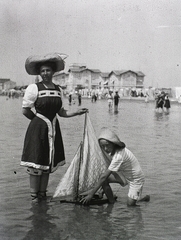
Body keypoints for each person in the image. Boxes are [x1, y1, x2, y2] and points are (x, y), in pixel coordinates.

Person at [21, 53, 88, 203]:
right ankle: (34, 197)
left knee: (47, 163)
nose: (45, 73)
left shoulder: (58, 89)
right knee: (36, 162)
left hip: (53, 128)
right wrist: (39, 123)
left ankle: (43, 195)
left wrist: (76, 112)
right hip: (38, 129)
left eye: (48, 70)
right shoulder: (34, 88)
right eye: (42, 71)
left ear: (53, 72)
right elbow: (25, 110)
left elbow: (61, 112)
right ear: (39, 73)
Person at [80, 128, 148, 206]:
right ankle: (111, 203)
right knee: (103, 180)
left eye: (107, 145)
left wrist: (91, 194)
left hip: (136, 179)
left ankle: (144, 199)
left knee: (130, 206)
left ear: (113, 144)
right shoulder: (112, 151)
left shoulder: (119, 156)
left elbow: (104, 176)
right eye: (103, 146)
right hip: (125, 175)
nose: (105, 148)